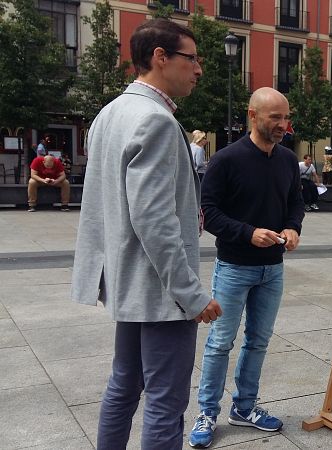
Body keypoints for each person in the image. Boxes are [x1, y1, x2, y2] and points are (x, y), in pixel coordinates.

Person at [71, 19, 222, 450]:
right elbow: (155, 221)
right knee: (165, 400)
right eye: (191, 58)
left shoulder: (109, 113)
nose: (198, 70)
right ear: (160, 57)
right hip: (159, 291)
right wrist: (192, 296)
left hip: (127, 282)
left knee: (124, 385)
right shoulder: (154, 120)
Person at [190, 87, 304, 448]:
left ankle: (244, 407)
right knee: (220, 342)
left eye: (286, 118)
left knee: (258, 341)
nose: (283, 125)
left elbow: (295, 203)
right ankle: (207, 412)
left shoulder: (287, 159)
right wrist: (248, 233)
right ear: (252, 116)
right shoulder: (226, 160)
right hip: (235, 266)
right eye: (275, 118)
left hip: (273, 269)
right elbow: (208, 213)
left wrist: (292, 227)